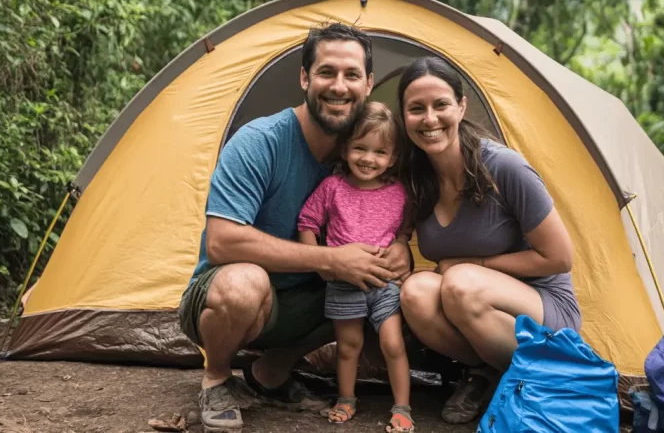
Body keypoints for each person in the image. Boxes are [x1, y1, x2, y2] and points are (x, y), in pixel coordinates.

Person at [177, 23, 414, 433]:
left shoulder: (363, 158)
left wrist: (401, 245)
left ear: (369, 84)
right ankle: (217, 378)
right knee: (243, 284)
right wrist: (333, 259)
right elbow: (221, 242)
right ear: (305, 77)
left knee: (392, 286)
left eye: (352, 75)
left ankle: (272, 371)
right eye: (326, 72)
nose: (338, 86)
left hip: (306, 300)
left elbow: (400, 214)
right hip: (233, 298)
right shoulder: (261, 142)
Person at [395, 56, 582, 425]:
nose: (430, 119)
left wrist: (474, 267)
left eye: (441, 105)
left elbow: (560, 258)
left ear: (461, 106)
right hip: (475, 307)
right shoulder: (415, 177)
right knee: (415, 292)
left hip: (543, 308)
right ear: (404, 117)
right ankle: (485, 373)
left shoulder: (504, 168)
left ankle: (541, 374)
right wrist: (400, 243)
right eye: (416, 109)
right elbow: (398, 226)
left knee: (460, 284)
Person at [297, 101, 415, 433]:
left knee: (393, 344)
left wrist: (402, 242)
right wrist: (318, 264)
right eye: (360, 148)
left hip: (384, 283)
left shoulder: (399, 193)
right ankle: (346, 399)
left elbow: (406, 227)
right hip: (342, 284)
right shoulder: (332, 188)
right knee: (348, 348)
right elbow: (307, 221)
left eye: (380, 152)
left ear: (392, 158)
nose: (368, 158)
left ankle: (403, 408)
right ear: (346, 148)